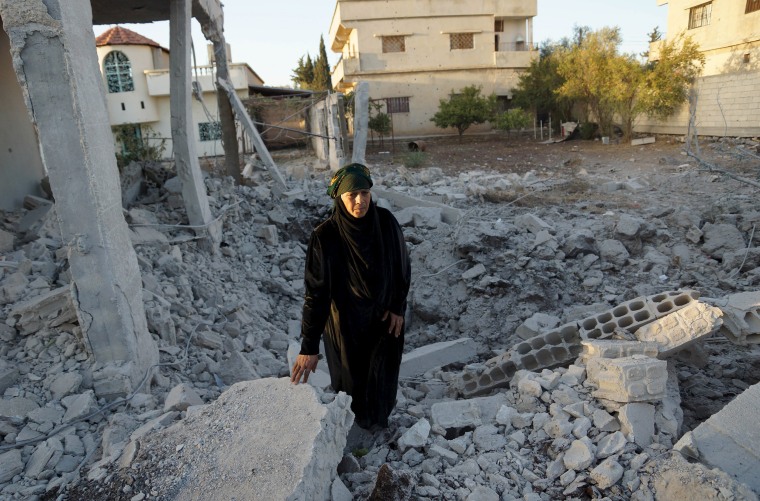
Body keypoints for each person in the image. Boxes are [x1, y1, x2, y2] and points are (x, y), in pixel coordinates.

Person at [291, 163, 411, 429]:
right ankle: (353, 434)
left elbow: (402, 267)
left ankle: (379, 429)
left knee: (383, 379)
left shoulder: (386, 224)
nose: (360, 201)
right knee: (351, 382)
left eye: (364, 193)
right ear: (339, 198)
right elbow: (316, 294)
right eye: (352, 195)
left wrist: (397, 307)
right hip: (346, 324)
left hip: (385, 320)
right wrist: (309, 347)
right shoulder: (325, 236)